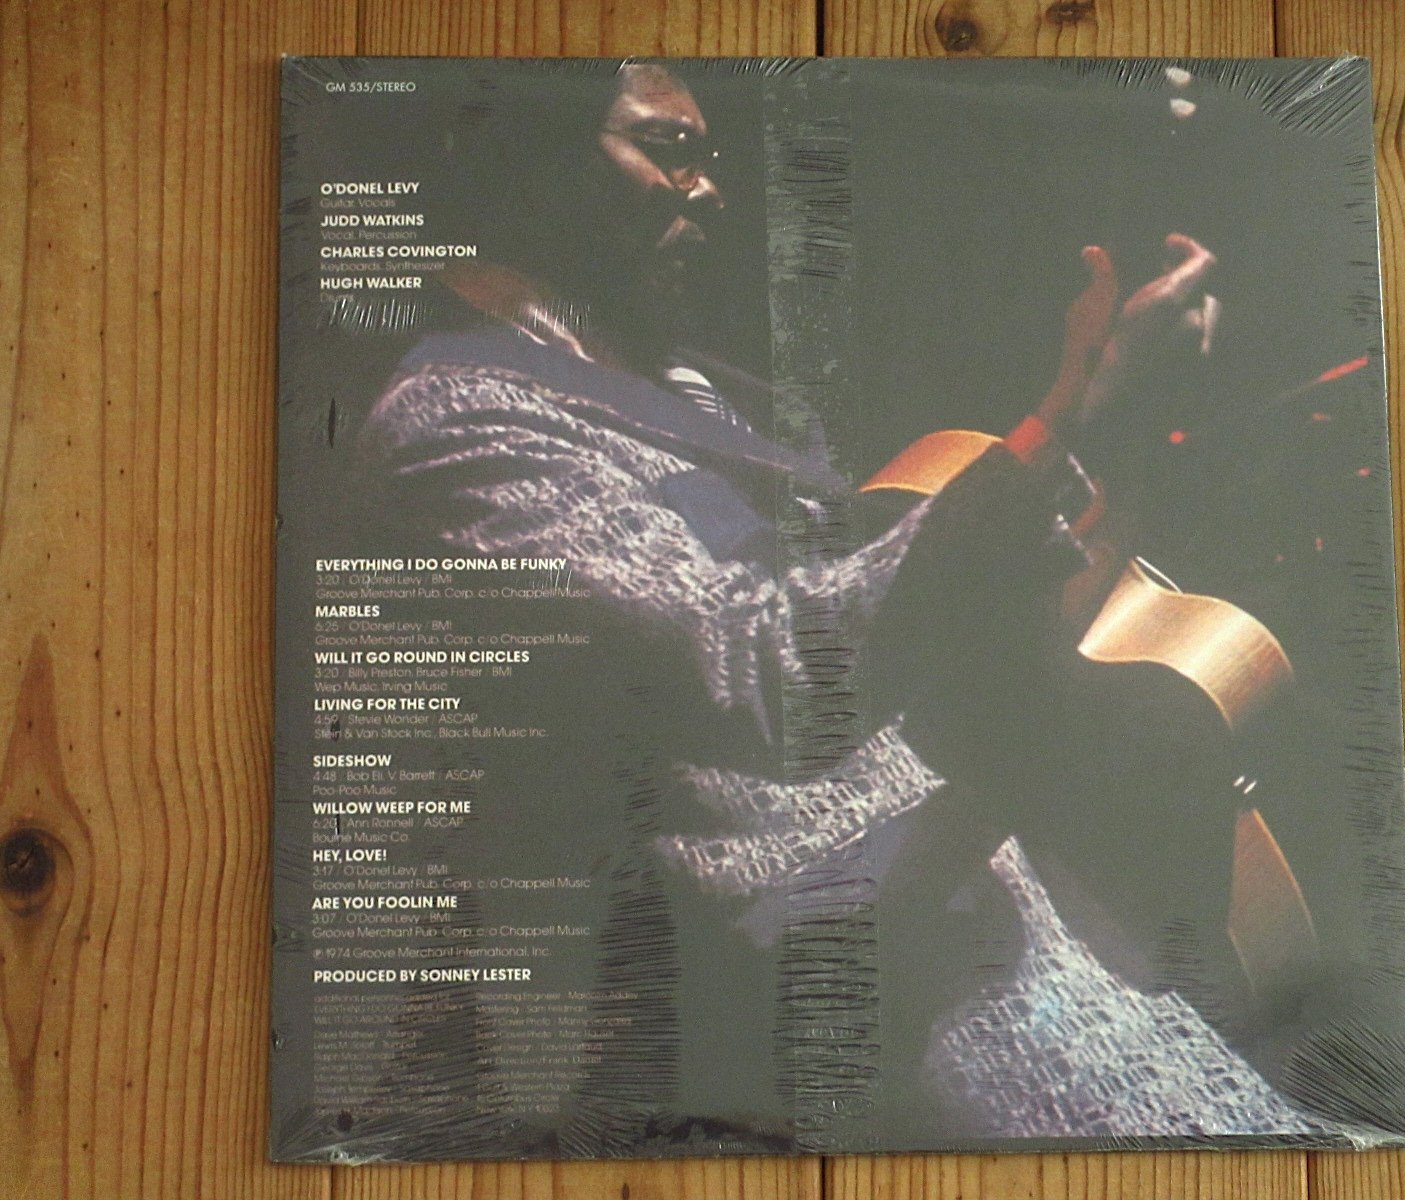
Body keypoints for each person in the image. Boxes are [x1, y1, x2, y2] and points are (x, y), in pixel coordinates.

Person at [357, 62, 1325, 1147]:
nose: (710, 186)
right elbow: (763, 677)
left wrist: (1120, 425)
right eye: (669, 149)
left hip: (1004, 937)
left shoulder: (709, 403)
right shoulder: (455, 424)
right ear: (528, 155)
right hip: (867, 1013)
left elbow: (961, 659)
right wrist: (1074, 417)